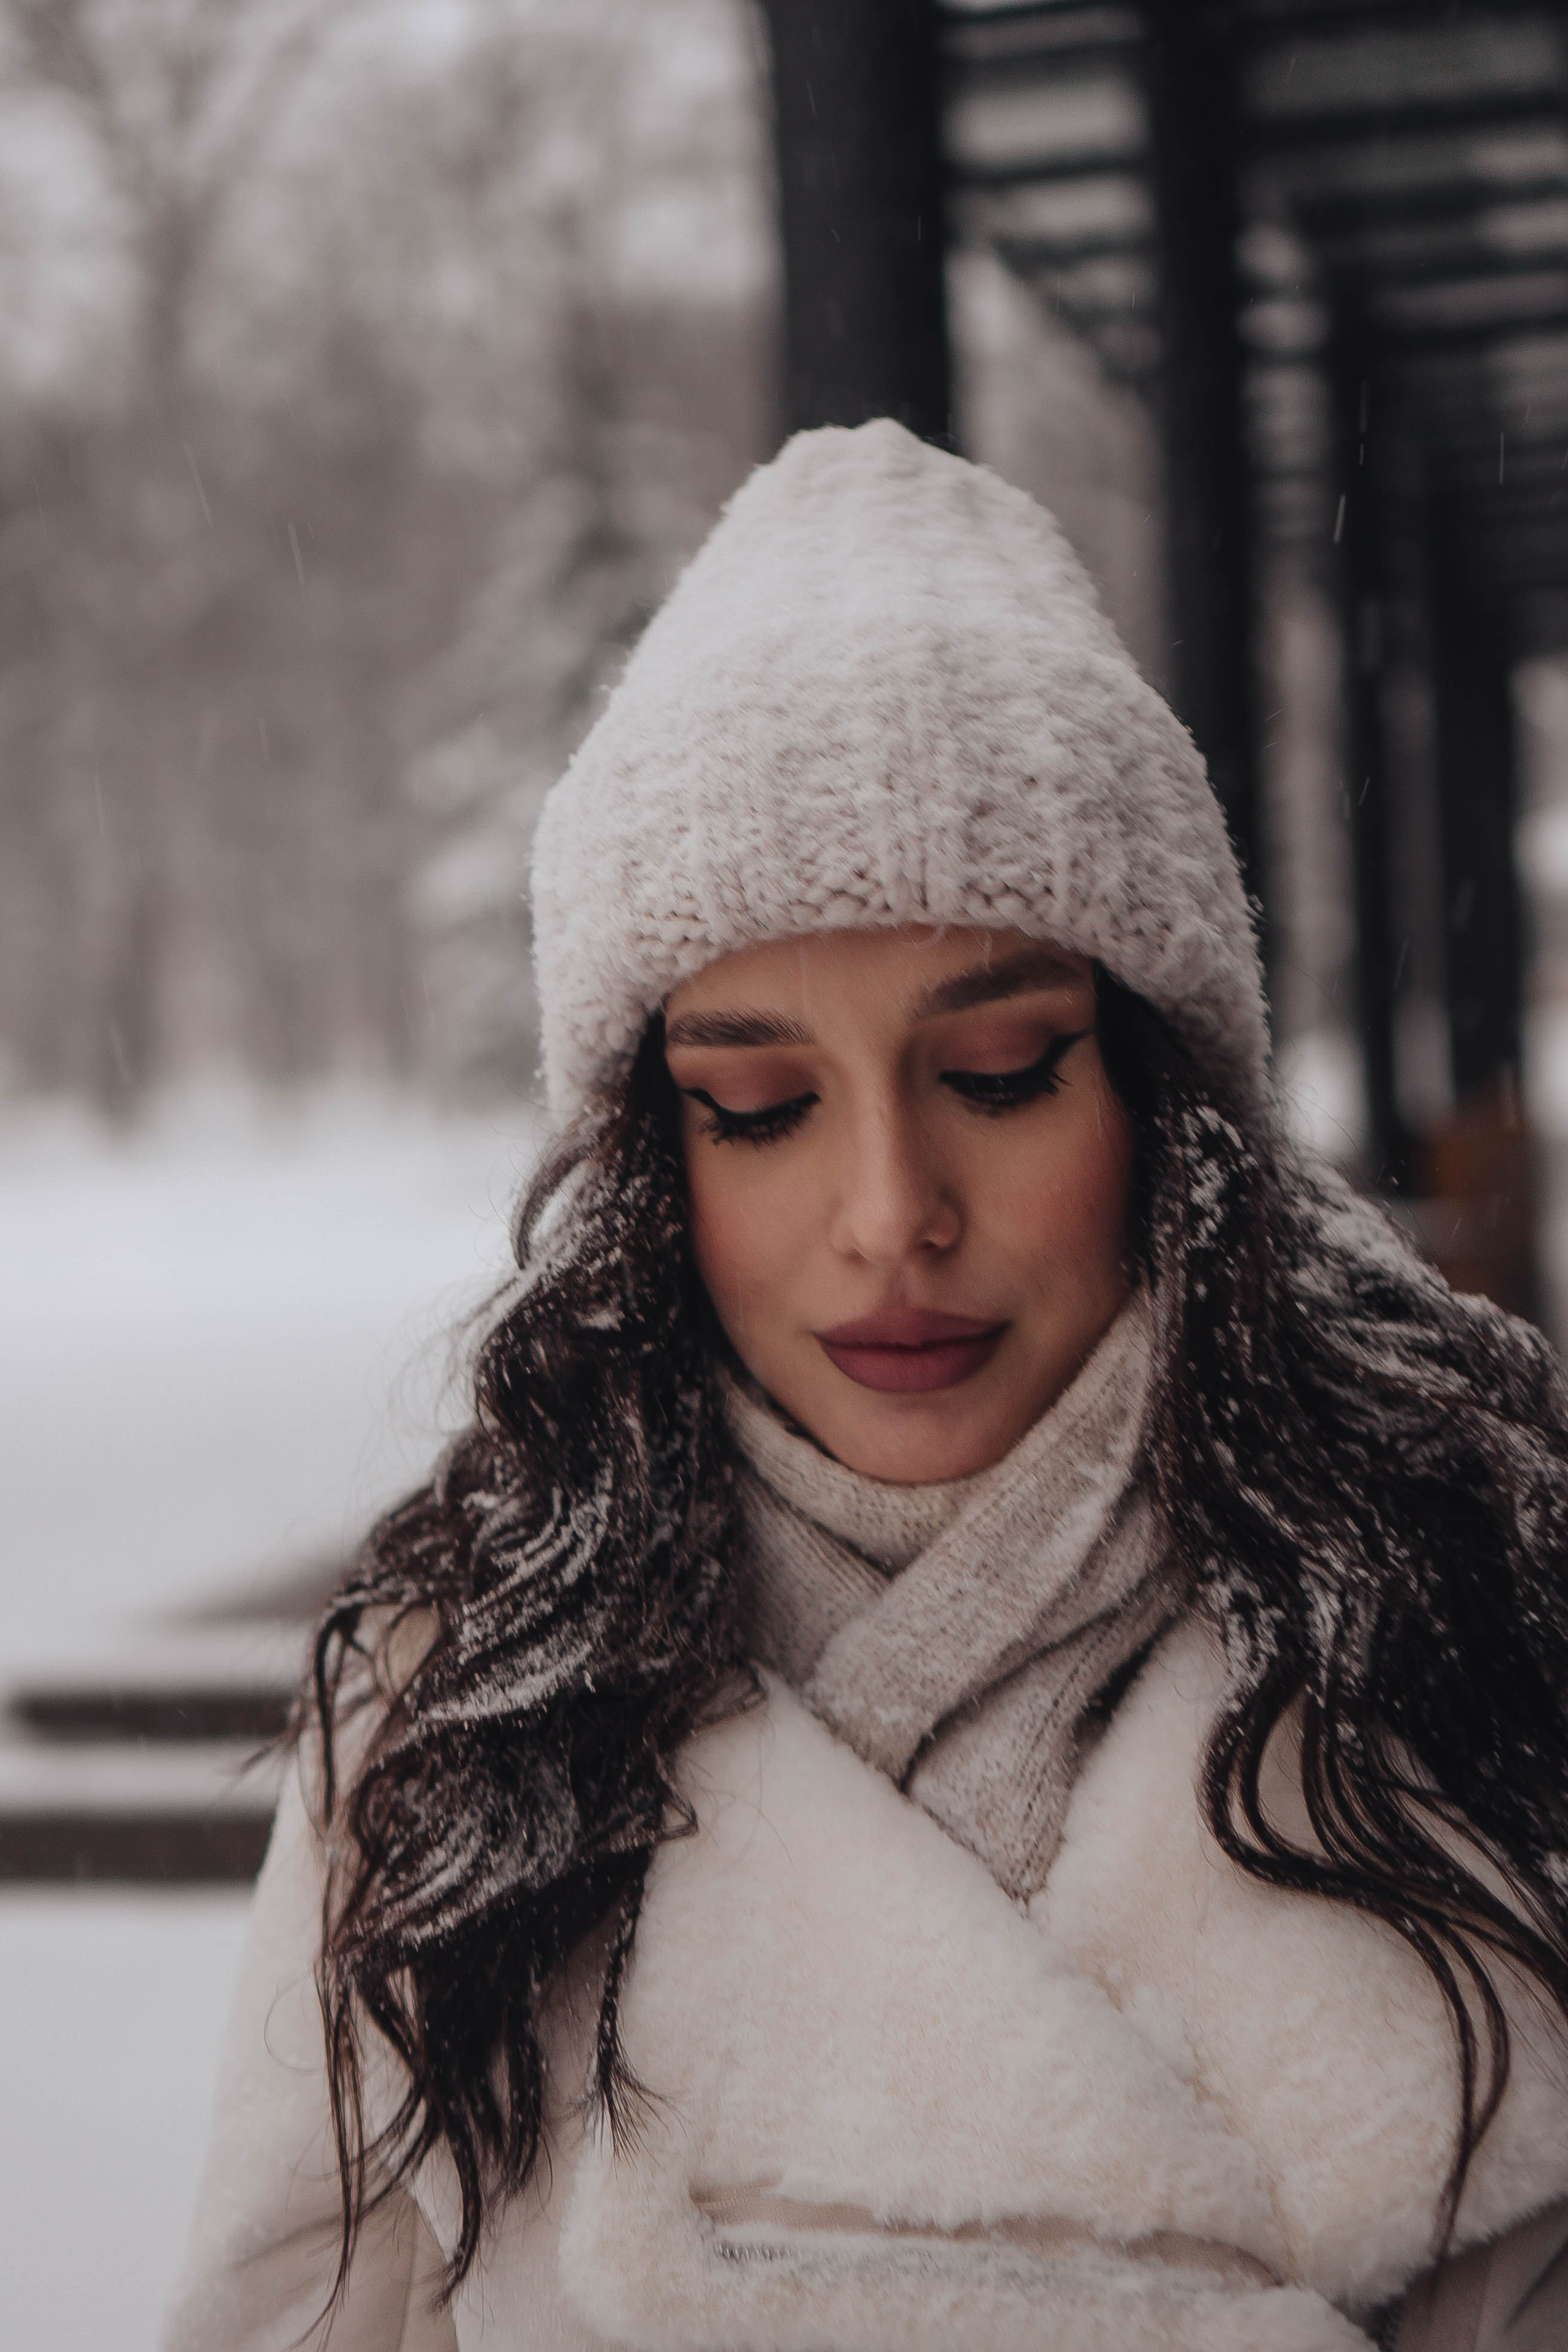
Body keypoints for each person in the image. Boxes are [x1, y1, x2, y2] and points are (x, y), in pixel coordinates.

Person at [164, 421, 1568, 2352]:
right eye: (758, 1107)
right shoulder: (455, 1724)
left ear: (1166, 1108)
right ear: (660, 1166)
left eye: (997, 1072)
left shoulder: (1469, 1633)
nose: (889, 1216)